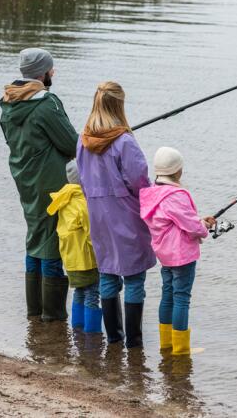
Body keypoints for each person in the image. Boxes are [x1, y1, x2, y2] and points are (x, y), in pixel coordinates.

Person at [0, 48, 78, 321]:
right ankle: (52, 315)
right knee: (52, 241)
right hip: (51, 181)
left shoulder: (8, 102)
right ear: (43, 73)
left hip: (24, 177)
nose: (53, 72)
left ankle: (35, 311)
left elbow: (13, 141)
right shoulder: (46, 103)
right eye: (51, 69)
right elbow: (71, 144)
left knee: (35, 236)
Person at [76, 81, 155, 349]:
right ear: (119, 105)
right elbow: (140, 182)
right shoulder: (124, 142)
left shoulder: (83, 140)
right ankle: (133, 343)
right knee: (134, 277)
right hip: (125, 213)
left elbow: (83, 180)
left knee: (107, 274)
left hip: (98, 214)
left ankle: (114, 339)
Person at [139, 147, 216, 356]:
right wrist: (204, 227)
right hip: (181, 255)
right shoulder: (175, 195)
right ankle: (181, 348)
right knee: (182, 297)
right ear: (177, 171)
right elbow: (191, 227)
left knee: (168, 296)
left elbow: (175, 221)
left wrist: (199, 221)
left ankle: (166, 344)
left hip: (164, 253)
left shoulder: (152, 194)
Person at [46, 161, 102, 334]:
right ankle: (92, 334)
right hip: (86, 260)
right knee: (92, 294)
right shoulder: (83, 203)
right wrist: (104, 253)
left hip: (70, 258)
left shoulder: (64, 199)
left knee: (79, 291)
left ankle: (77, 329)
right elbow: (92, 234)